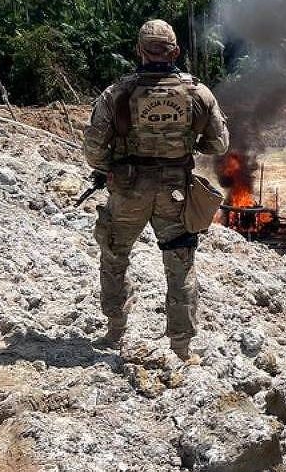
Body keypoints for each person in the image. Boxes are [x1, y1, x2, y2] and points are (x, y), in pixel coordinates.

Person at [83, 20, 229, 362]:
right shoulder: (198, 93)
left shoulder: (117, 94)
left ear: (139, 51)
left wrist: (111, 168)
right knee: (180, 264)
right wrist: (190, 144)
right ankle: (181, 348)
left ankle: (115, 331)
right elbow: (220, 144)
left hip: (128, 191)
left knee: (115, 256)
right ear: (174, 51)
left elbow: (93, 151)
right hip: (175, 192)